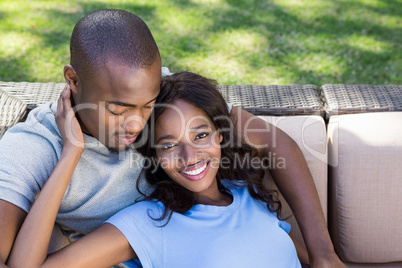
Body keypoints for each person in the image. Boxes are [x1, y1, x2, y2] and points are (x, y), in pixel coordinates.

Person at [0, 9, 344, 268]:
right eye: (119, 110)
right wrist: (70, 153)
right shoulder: (28, 151)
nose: (136, 123)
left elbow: (256, 134)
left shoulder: (161, 99)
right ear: (73, 81)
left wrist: (324, 255)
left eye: (146, 106)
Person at [8, 71, 309, 267]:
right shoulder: (148, 222)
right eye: (169, 145)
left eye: (200, 135)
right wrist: (71, 151)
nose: (189, 156)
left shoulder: (248, 195)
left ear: (220, 134)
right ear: (155, 156)